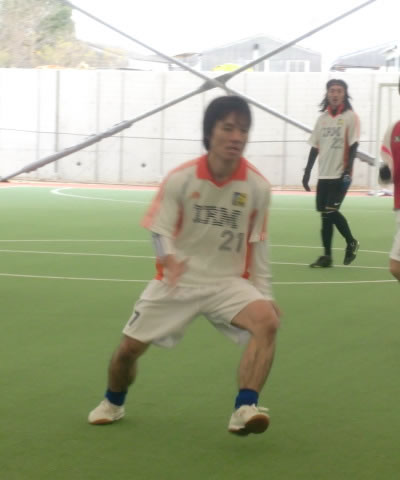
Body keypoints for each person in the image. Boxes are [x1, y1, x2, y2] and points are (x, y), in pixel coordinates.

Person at [88, 96, 281, 436]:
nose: (237, 137)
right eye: (228, 128)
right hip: (177, 281)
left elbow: (258, 243)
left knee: (267, 321)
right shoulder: (181, 178)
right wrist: (168, 257)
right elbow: (159, 228)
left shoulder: (258, 187)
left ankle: (245, 408)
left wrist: (264, 294)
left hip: (226, 283)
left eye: (243, 130)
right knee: (128, 351)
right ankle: (113, 402)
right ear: (209, 132)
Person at [303, 79, 360, 268]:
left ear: (344, 94)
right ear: (327, 94)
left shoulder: (350, 117)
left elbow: (354, 145)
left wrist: (347, 170)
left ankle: (351, 242)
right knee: (325, 216)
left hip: (340, 174)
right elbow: (314, 147)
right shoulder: (322, 119)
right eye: (332, 91)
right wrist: (307, 172)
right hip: (324, 175)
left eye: (339, 91)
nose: (335, 94)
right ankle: (327, 256)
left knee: (330, 210)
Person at [379, 76, 400, 282]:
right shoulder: (394, 129)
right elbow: (388, 167)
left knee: (395, 266)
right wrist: (385, 173)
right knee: (396, 267)